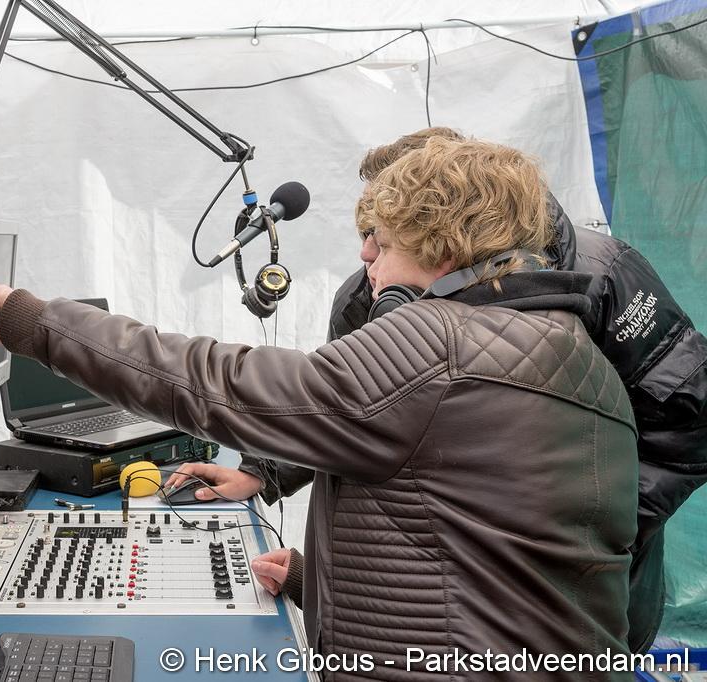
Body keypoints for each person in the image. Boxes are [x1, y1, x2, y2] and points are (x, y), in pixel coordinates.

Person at [0, 138, 638, 680]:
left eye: (384, 242)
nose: (366, 257)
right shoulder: (580, 360)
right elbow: (493, 554)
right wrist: (321, 581)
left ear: (445, 246)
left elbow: (220, 383)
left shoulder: (442, 346)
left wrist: (37, 323)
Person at [223, 127, 707, 654]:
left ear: (446, 220)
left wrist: (589, 531)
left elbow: (690, 422)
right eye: (368, 230)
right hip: (433, 609)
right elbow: (346, 408)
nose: (366, 252)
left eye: (384, 231)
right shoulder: (367, 297)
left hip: (581, 596)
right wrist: (263, 469)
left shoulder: (606, 276)